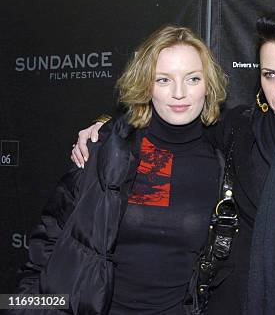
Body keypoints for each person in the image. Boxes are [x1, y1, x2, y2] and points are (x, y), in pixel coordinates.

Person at [70, 12, 275, 315]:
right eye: (270, 74)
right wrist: (105, 127)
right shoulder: (240, 130)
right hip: (234, 302)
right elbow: (167, 120)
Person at [12, 25, 227, 314]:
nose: (179, 93)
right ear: (146, 85)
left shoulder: (223, 161)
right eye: (163, 79)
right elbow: (48, 243)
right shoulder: (108, 147)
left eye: (192, 79)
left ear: (208, 84)